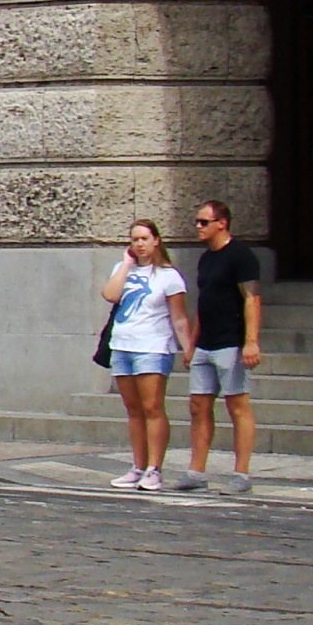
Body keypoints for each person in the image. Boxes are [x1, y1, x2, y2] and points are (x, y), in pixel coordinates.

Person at [99, 217, 193, 490]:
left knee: (152, 407)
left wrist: (187, 348)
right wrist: (126, 264)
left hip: (153, 347)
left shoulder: (168, 276)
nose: (139, 244)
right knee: (133, 409)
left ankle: (154, 468)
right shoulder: (122, 268)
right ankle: (138, 465)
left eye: (144, 239)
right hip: (123, 345)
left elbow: (179, 317)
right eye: (134, 240)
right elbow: (110, 294)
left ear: (156, 241)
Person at [179, 200, 263, 494]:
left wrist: (250, 341)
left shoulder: (240, 256)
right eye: (198, 222)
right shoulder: (205, 259)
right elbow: (204, 302)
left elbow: (251, 298)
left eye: (204, 222)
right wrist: (192, 343)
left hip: (231, 342)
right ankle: (196, 470)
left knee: (237, 405)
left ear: (221, 223)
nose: (198, 227)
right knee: (198, 405)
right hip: (206, 342)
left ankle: (241, 473)